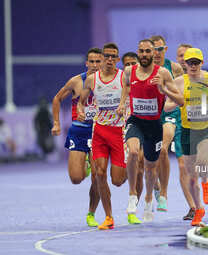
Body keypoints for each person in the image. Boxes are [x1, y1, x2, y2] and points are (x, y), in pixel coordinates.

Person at [117, 39, 184, 223]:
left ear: (153, 53)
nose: (145, 55)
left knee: (150, 167)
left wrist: (162, 89)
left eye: (148, 51)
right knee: (132, 153)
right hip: (136, 121)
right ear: (138, 52)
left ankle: (149, 199)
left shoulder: (162, 73)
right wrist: (122, 103)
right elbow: (126, 87)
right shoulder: (129, 71)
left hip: (154, 124)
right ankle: (132, 195)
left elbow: (180, 100)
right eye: (142, 51)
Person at [164, 48, 208, 226]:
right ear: (184, 64)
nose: (193, 66)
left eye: (196, 62)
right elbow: (167, 106)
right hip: (188, 130)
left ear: (202, 63)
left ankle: (206, 182)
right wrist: (176, 103)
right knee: (190, 174)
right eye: (190, 63)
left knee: (202, 161)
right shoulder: (179, 82)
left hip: (207, 128)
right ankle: (199, 209)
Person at [51, 48, 102, 227]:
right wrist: (56, 123)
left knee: (98, 177)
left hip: (100, 133)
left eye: (98, 61)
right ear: (86, 63)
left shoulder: (109, 82)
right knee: (76, 179)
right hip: (79, 132)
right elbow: (57, 99)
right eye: (92, 62)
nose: (95, 65)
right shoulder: (76, 81)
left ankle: (91, 213)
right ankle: (86, 166)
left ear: (104, 62)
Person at [79, 43, 127, 230]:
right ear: (103, 57)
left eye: (113, 56)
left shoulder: (124, 76)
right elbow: (81, 102)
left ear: (117, 59)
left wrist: (123, 104)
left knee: (116, 180)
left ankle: (127, 170)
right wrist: (81, 110)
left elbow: (130, 92)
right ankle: (109, 217)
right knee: (99, 173)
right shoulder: (92, 79)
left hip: (118, 132)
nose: (109, 59)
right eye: (106, 55)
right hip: (99, 131)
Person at [149, 35, 184, 213]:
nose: (156, 53)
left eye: (160, 49)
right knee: (143, 158)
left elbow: (182, 91)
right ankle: (155, 185)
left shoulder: (175, 68)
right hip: (148, 115)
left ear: (165, 50)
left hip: (169, 113)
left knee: (162, 149)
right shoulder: (142, 69)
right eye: (153, 49)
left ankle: (163, 194)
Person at [174, 43, 197, 220]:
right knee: (182, 167)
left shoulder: (201, 77)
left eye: (186, 56)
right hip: (177, 125)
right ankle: (193, 207)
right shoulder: (171, 76)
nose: (183, 59)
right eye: (180, 55)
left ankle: (198, 203)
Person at [121, 52, 144, 201]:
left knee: (140, 168)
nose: (130, 67)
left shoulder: (144, 79)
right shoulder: (119, 82)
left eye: (132, 63)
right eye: (127, 64)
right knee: (123, 174)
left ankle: (134, 202)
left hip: (141, 126)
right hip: (122, 128)